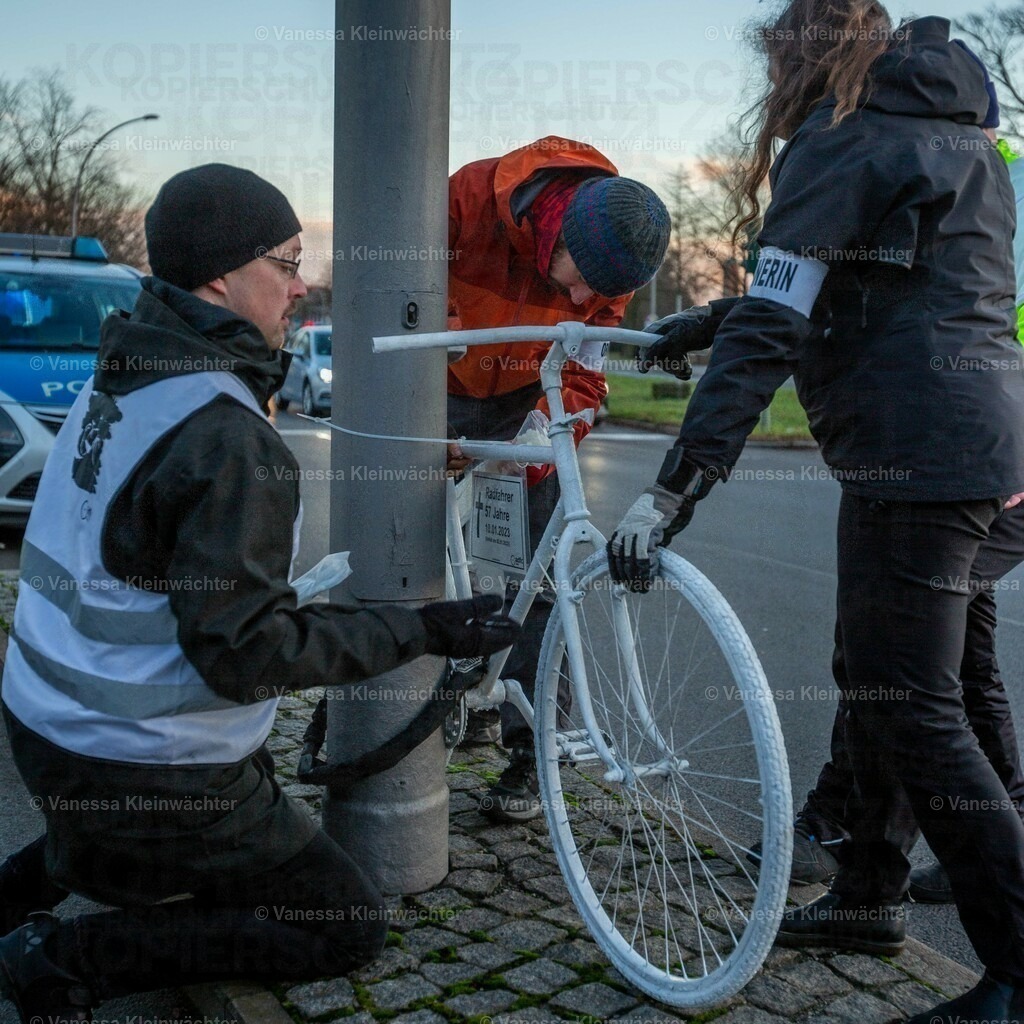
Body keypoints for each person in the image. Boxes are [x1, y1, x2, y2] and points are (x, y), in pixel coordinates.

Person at [0, 163, 519, 1024]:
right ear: (220, 275)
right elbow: (247, 652)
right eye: (285, 259)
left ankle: (71, 866)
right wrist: (421, 628)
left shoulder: (124, 371)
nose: (300, 281)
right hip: (141, 764)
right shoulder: (226, 436)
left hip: (44, 724)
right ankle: (68, 957)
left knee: (129, 838)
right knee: (342, 924)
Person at [609, 5, 1024, 1023]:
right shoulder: (961, 134)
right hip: (986, 437)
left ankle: (1017, 965)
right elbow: (873, 284)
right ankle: (869, 888)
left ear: (801, 54)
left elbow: (780, 319)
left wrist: (677, 482)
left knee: (912, 702)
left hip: (913, 456)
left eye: (774, 61)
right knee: (911, 682)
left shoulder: (836, 139)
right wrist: (697, 326)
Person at [446, 136, 670, 821]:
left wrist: (548, 428)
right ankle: (380, 702)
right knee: (405, 556)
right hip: (441, 382)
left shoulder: (612, 264)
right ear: (557, 228)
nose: (578, 297)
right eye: (577, 281)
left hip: (525, 399)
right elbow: (400, 301)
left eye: (596, 294)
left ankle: (532, 751)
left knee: (537, 578)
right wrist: (426, 414)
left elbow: (582, 368)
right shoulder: (463, 201)